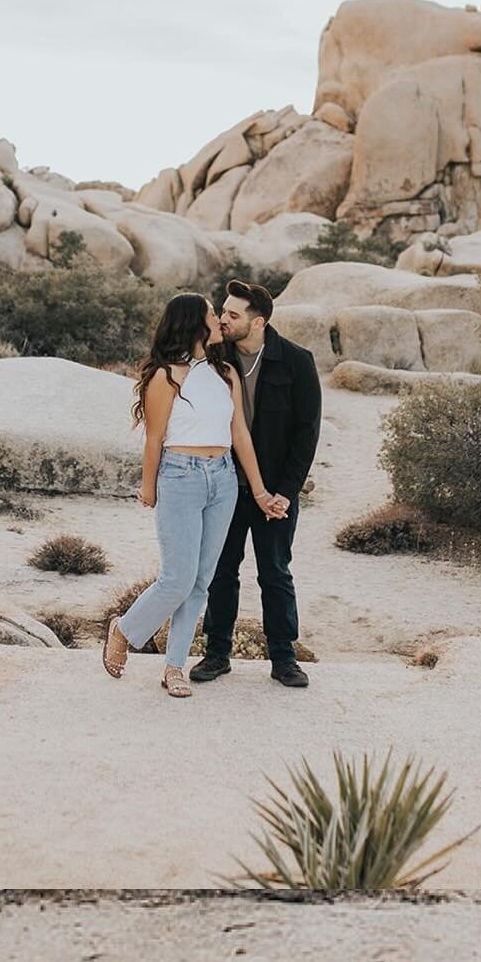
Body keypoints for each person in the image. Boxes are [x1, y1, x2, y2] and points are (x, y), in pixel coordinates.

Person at [101, 291, 287, 698]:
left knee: (201, 581)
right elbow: (154, 439)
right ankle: (125, 630)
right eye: (212, 315)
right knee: (177, 578)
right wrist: (148, 487)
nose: (220, 320)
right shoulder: (163, 377)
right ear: (193, 324)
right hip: (179, 477)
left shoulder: (226, 373)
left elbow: (239, 433)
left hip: (222, 480)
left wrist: (258, 490)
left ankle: (174, 668)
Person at [191, 279, 321, 688]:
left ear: (258, 321)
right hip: (225, 486)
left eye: (233, 314)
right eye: (223, 313)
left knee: (275, 573)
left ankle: (284, 659)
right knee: (221, 572)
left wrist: (286, 492)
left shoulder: (297, 362)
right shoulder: (213, 359)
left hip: (276, 493)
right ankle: (216, 654)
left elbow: (307, 433)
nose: (224, 320)